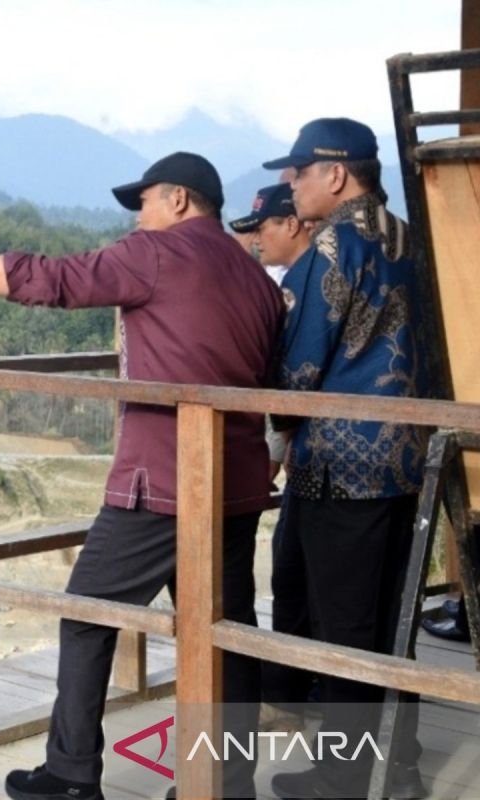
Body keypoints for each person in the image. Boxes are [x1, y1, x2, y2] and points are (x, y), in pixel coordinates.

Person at [0, 151, 284, 800]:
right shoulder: (256, 277)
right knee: (222, 631)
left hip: (162, 480)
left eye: (146, 202)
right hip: (234, 481)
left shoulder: (156, 253)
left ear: (179, 201)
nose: (139, 216)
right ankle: (225, 781)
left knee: (86, 615)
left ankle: (72, 775)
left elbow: (53, 280)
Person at [262, 118, 432, 800]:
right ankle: (402, 769)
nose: (290, 183)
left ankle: (343, 776)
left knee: (343, 629)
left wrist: (270, 428)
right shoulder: (406, 235)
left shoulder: (333, 247)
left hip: (342, 467)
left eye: (298, 171)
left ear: (336, 174)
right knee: (391, 624)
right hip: (406, 460)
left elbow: (298, 368)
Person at [229, 184, 316, 729]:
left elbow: (289, 385)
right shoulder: (287, 287)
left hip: (318, 456)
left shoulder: (298, 290)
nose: (255, 239)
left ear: (293, 225)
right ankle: (284, 696)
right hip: (308, 455)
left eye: (261, 228)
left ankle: (288, 701)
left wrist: (273, 455)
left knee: (300, 579)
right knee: (291, 576)